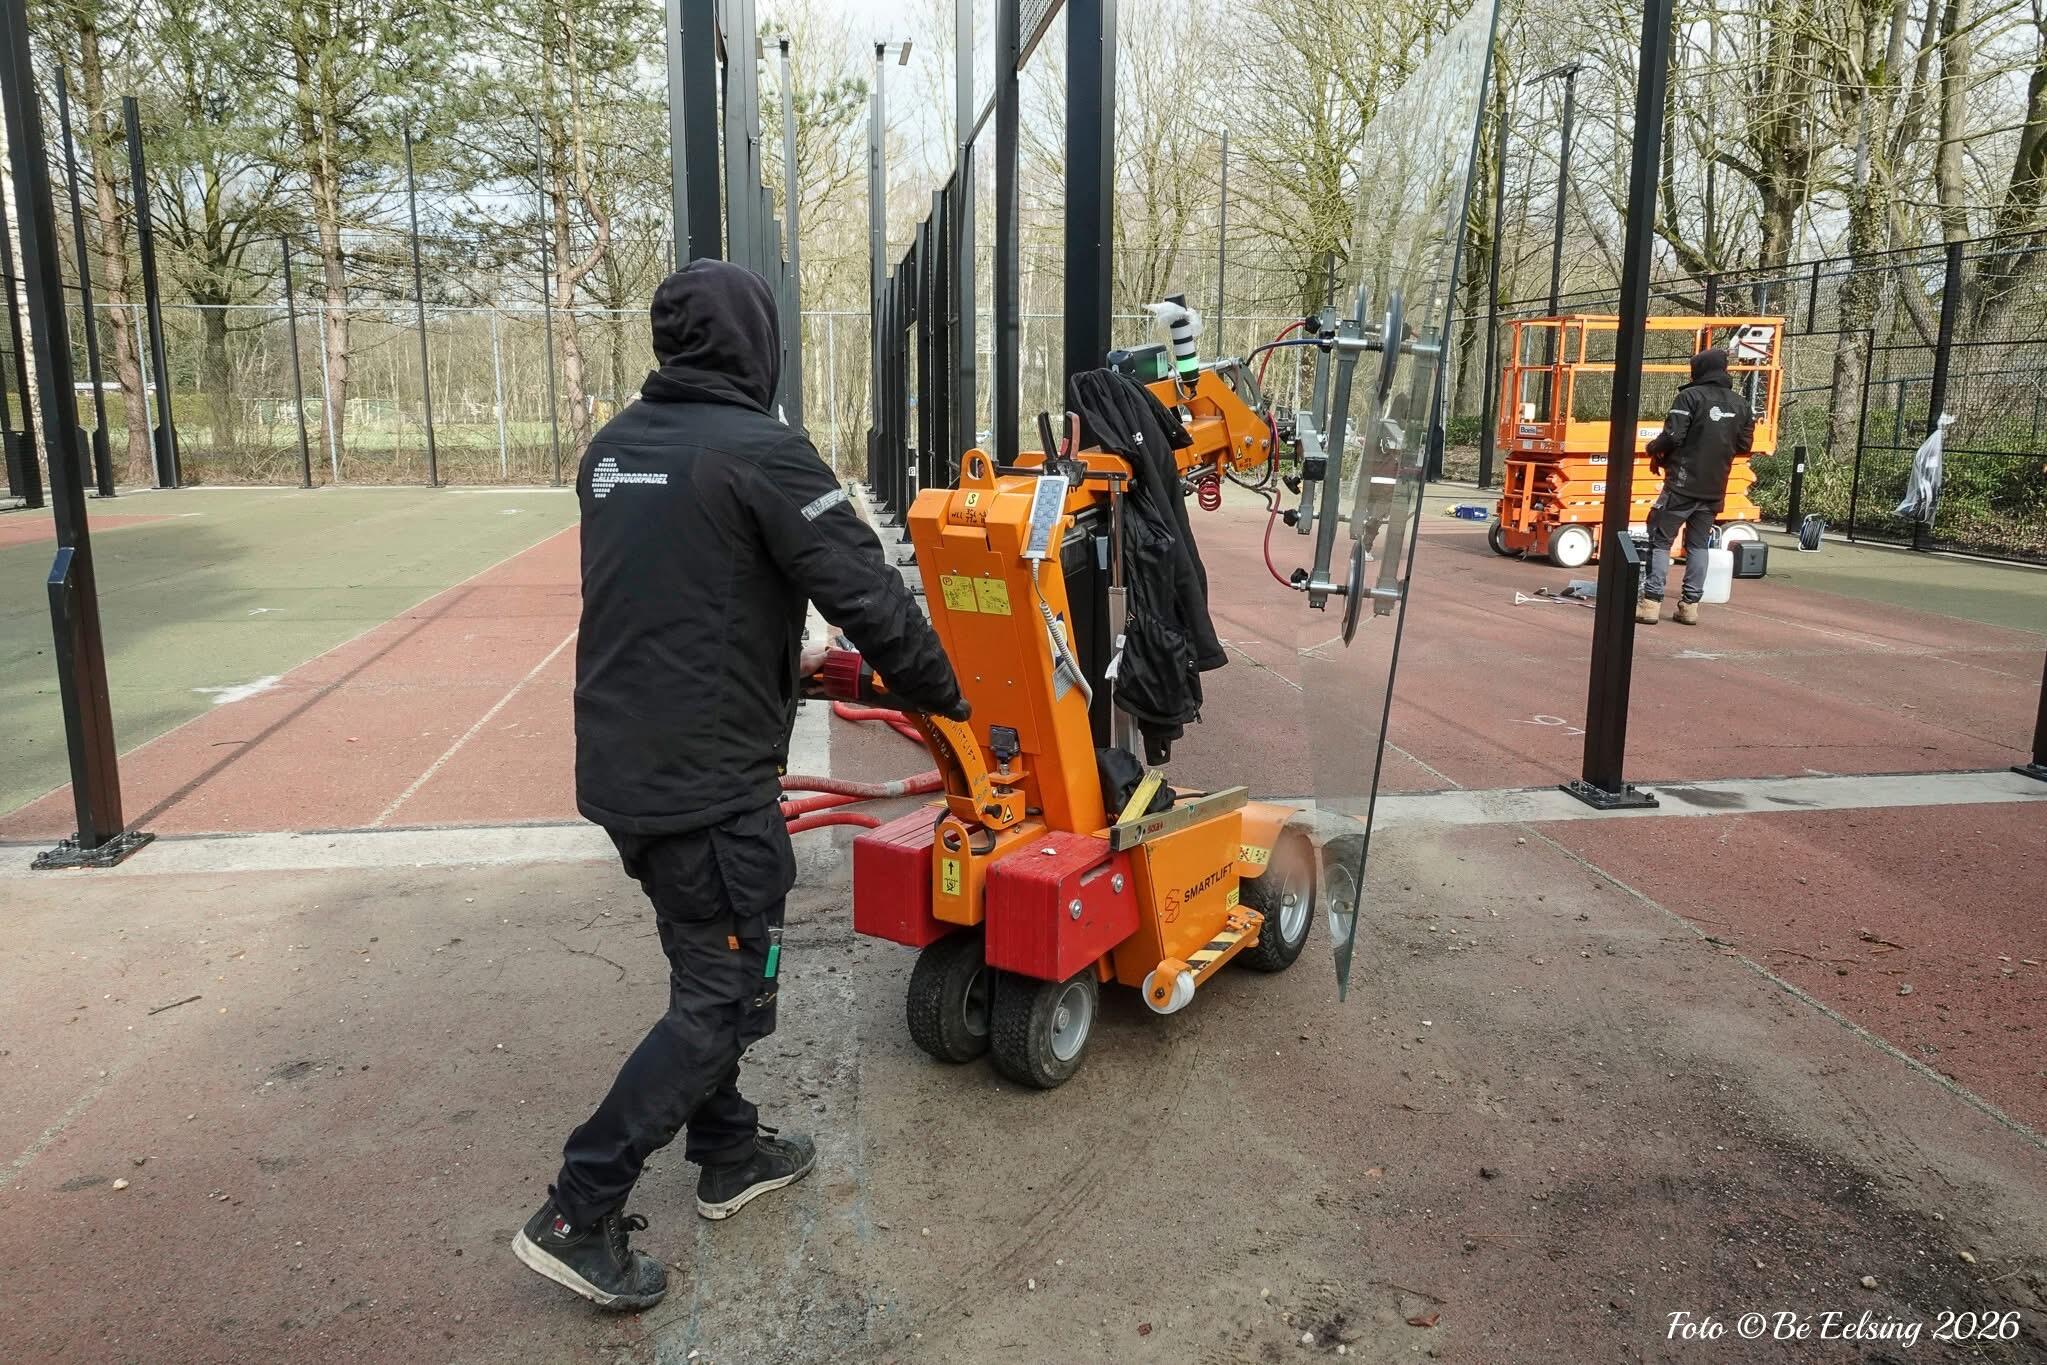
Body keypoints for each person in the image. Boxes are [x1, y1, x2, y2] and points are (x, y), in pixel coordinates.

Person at [513, 260, 966, 1312]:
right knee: (724, 996)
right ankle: (578, 1209)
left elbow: (683, 595)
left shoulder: (614, 449)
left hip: (625, 768)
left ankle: (728, 1150)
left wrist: (773, 662)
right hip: (710, 787)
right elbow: (867, 596)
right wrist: (952, 699)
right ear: (758, 345)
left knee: (705, 967)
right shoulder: (761, 450)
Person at [1636, 346, 1755, 626]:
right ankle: (1689, 606)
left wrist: (1652, 449)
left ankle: (1651, 602)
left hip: (1681, 484)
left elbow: (1673, 436)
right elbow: (1744, 444)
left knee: (1660, 540)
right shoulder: (1742, 405)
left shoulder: (1689, 397)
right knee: (1698, 545)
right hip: (1715, 486)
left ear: (1698, 370)